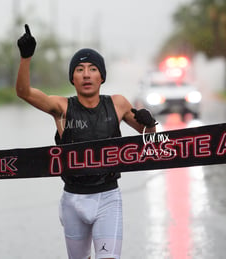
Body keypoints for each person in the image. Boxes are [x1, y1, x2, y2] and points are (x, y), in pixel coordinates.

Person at [16, 24, 156, 259]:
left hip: (108, 197)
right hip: (73, 200)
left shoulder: (118, 104)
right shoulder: (61, 108)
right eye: (79, 69)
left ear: (102, 76)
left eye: (92, 69)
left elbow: (151, 140)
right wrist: (25, 58)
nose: (86, 74)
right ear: (73, 78)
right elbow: (24, 92)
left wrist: (149, 123)